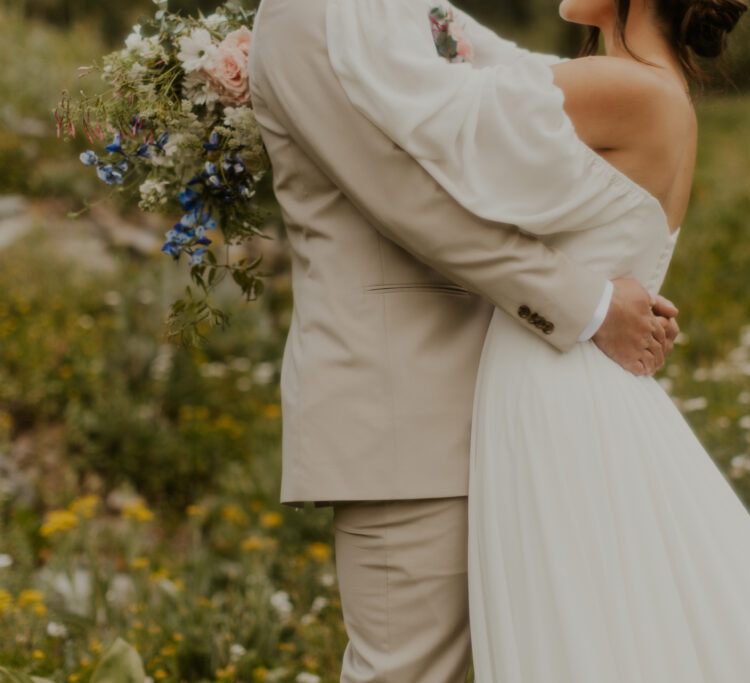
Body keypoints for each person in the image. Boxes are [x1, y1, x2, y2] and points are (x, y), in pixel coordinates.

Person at [322, 0, 750, 680]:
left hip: (555, 396)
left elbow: (434, 114)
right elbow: (505, 65)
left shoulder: (623, 88)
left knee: (574, 632)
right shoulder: (646, 86)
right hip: (584, 383)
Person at [248, 0, 681, 680]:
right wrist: (591, 303)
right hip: (408, 407)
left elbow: (501, 102)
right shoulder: (314, 11)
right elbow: (407, 195)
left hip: (512, 408)